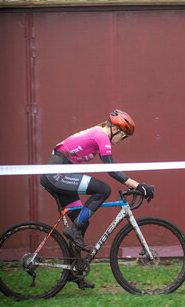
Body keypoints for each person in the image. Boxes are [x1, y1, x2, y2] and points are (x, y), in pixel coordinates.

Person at [40, 109, 154, 289]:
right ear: (116, 129)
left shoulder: (99, 136)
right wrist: (138, 185)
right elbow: (111, 171)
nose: (122, 141)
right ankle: (74, 231)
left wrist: (134, 185)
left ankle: (73, 272)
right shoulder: (101, 136)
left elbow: (112, 170)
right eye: (123, 136)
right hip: (57, 174)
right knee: (103, 189)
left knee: (82, 222)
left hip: (60, 173)